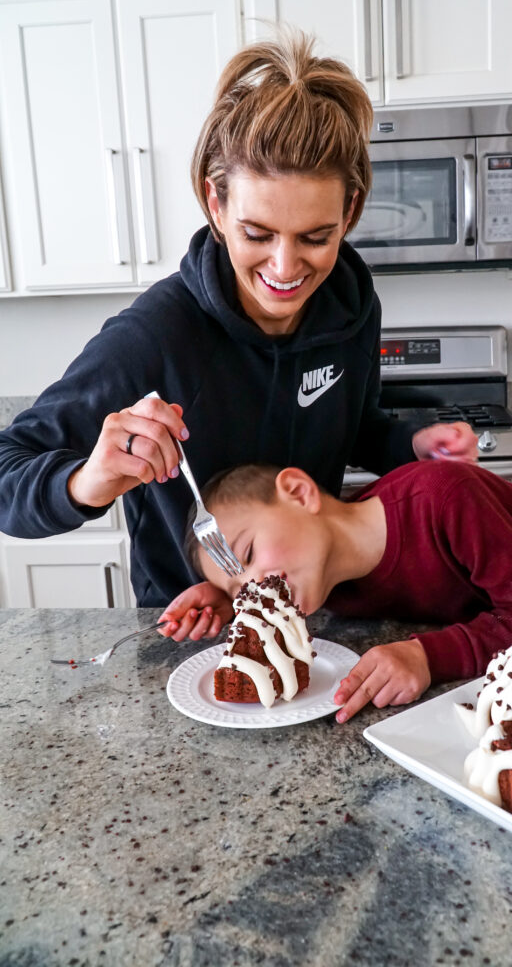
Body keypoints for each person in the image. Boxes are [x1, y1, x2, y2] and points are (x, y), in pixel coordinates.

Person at [0, 30, 476, 608]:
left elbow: (353, 426)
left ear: (349, 212)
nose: (285, 266)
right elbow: (7, 473)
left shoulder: (350, 307)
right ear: (216, 204)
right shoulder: (157, 335)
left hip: (310, 614)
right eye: (257, 233)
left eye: (316, 237)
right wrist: (88, 481)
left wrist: (410, 442)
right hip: (188, 630)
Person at [159, 460, 512, 723]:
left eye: (249, 552)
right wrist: (232, 596)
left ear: (298, 493)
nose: (254, 586)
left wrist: (429, 656)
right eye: (240, 587)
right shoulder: (322, 578)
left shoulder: (447, 498)